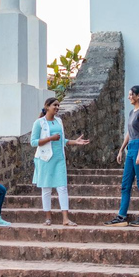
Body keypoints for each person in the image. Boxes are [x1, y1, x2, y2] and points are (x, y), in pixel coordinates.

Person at [30, 97, 90, 226]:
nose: (57, 108)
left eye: (58, 105)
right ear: (47, 106)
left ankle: (65, 218)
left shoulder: (59, 121)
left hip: (59, 158)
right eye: (54, 105)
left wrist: (75, 142)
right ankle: (48, 217)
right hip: (45, 159)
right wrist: (50, 138)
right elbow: (33, 142)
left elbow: (62, 140)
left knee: (62, 187)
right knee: (46, 188)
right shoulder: (39, 123)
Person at [104, 85, 139, 227]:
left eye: (131, 94)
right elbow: (129, 133)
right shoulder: (133, 112)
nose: (129, 97)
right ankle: (121, 216)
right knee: (125, 185)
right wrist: (121, 149)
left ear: (138, 96)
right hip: (131, 148)